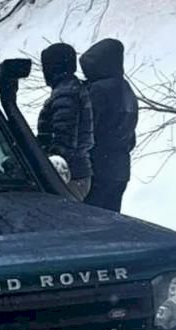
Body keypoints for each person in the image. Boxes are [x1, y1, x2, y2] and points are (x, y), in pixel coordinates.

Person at [80, 38, 139, 212]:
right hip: (120, 168)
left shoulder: (98, 91)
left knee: (88, 221)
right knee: (110, 220)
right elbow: (131, 137)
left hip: (97, 166)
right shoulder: (127, 89)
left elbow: (88, 128)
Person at [37, 43, 95, 201]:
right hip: (73, 173)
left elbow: (64, 139)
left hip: (68, 176)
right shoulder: (70, 89)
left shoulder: (66, 93)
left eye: (46, 66)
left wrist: (50, 169)